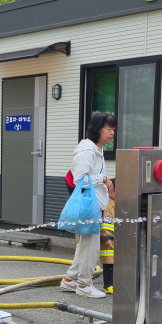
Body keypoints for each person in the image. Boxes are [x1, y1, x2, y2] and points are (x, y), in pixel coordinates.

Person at [60, 112, 114, 298]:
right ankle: (84, 284)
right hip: (89, 205)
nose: (112, 132)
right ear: (98, 129)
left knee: (85, 244)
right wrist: (103, 179)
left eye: (113, 129)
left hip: (93, 204)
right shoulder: (88, 151)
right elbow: (79, 179)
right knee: (91, 246)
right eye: (108, 128)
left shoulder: (96, 150)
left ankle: (70, 280)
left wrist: (103, 183)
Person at [99, 191, 115, 295]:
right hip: (109, 240)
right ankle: (107, 285)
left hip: (113, 239)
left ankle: (111, 284)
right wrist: (107, 237)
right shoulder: (108, 205)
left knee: (112, 263)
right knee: (108, 263)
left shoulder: (114, 203)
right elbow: (106, 223)